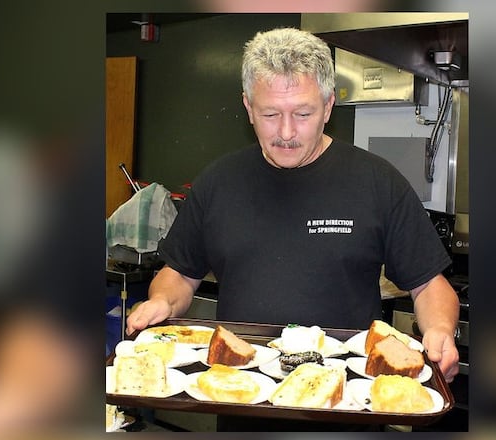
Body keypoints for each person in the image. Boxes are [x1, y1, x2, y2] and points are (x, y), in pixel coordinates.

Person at [126, 27, 460, 430]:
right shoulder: (219, 182)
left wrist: (440, 329)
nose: (285, 133)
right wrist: (163, 301)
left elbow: (429, 284)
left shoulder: (376, 182)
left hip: (347, 406)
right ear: (248, 107)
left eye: (302, 114)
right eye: (269, 114)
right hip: (242, 400)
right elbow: (179, 273)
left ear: (328, 105)